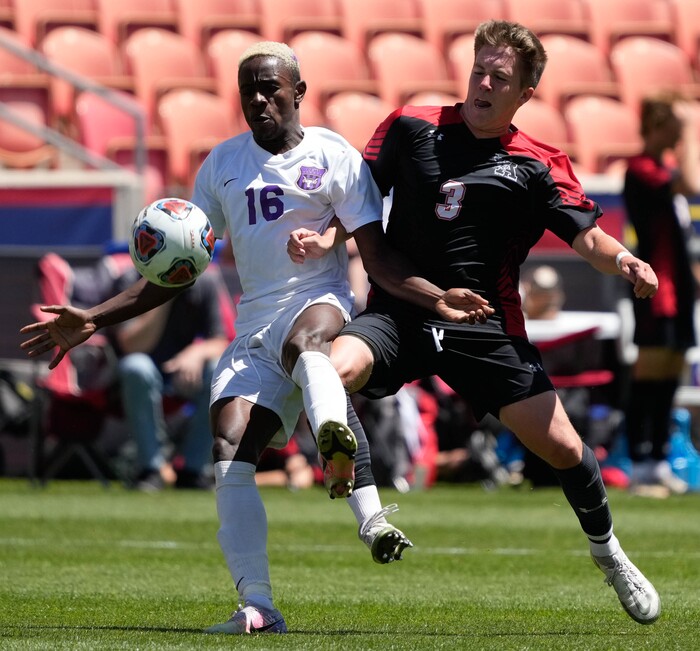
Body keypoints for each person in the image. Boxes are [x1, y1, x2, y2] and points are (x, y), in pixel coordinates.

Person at [19, 41, 494, 635]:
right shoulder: (220, 165)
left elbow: (378, 260)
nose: (260, 99)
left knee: (308, 348)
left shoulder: (336, 156)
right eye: (249, 90)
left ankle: (343, 466)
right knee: (227, 449)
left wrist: (435, 296)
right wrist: (94, 317)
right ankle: (260, 607)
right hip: (253, 325)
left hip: (318, 300)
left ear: (299, 91)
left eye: (272, 88)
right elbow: (176, 273)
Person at [290, 20, 662, 625]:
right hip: (404, 308)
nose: (483, 83)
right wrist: (326, 235)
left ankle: (610, 553)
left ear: (526, 94)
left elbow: (586, 236)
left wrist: (625, 260)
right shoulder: (410, 126)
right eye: (478, 70)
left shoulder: (538, 165)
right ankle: (368, 506)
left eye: (500, 77)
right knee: (331, 370)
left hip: (485, 325)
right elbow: (357, 200)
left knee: (566, 449)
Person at [622, 92, 700, 496]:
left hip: (680, 289)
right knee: (648, 375)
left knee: (670, 374)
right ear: (657, 125)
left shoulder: (661, 168)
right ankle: (638, 464)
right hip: (655, 288)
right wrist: (689, 133)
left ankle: (659, 459)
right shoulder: (640, 169)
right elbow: (692, 183)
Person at [110, 263, 233, 491]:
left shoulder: (206, 280)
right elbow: (131, 345)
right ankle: (151, 469)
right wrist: (164, 291)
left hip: (184, 376)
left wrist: (196, 352)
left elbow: (221, 341)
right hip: (137, 378)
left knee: (221, 371)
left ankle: (192, 469)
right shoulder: (129, 280)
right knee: (136, 367)